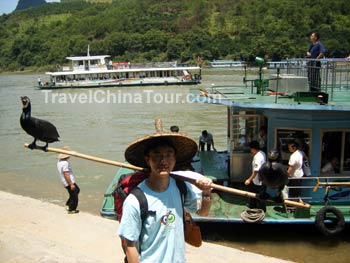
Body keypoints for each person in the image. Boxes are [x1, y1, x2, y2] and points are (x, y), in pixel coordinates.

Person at [118, 127, 212, 263]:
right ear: (147, 160)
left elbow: (203, 213)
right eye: (157, 155)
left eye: (168, 155)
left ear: (175, 158)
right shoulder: (135, 201)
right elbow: (130, 246)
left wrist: (206, 192)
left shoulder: (181, 187)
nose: (163, 161)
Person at [56, 146, 80, 214]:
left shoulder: (59, 161)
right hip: (68, 182)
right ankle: (71, 209)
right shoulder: (65, 163)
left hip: (65, 182)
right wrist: (71, 184)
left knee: (77, 190)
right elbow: (66, 174)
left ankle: (68, 204)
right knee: (75, 196)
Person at [244, 141, 266, 211]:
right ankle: (252, 205)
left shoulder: (257, 157)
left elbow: (256, 171)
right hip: (261, 179)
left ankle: (261, 209)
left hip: (257, 181)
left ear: (253, 149)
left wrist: (249, 179)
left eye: (251, 149)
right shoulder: (262, 153)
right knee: (254, 194)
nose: (251, 151)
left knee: (258, 195)